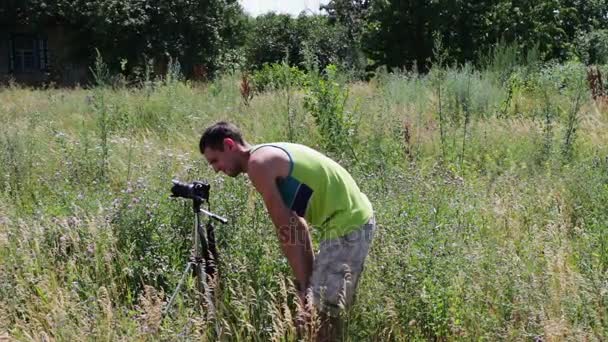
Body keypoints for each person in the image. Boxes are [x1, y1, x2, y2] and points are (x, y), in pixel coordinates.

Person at [199, 121, 376, 341]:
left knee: (320, 320)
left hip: (347, 226)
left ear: (229, 145)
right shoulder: (266, 154)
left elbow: (286, 230)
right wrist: (307, 283)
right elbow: (296, 225)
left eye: (215, 160)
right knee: (317, 315)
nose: (216, 169)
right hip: (349, 222)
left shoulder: (259, 164)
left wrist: (304, 289)